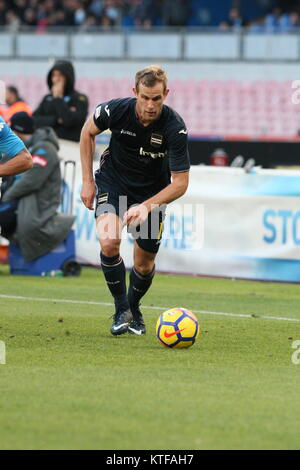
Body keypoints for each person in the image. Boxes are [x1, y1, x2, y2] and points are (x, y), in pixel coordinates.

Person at [80, 65, 190, 336]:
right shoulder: (116, 110)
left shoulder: (175, 128)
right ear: (135, 93)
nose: (150, 105)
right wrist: (87, 181)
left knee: (143, 264)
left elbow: (181, 183)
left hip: (151, 194)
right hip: (113, 183)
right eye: (144, 97)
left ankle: (133, 307)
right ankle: (121, 310)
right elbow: (87, 132)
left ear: (166, 94)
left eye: (156, 98)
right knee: (109, 241)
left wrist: (146, 206)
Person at [0, 112, 75, 261]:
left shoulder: (44, 149)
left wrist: (6, 197)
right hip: (21, 201)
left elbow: (30, 182)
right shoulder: (27, 147)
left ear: (18, 130)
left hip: (37, 205)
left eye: (12, 129)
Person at [32, 60, 89, 143]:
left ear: (68, 77)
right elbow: (34, 120)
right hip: (48, 144)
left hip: (70, 146)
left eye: (60, 75)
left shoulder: (80, 98)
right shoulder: (47, 98)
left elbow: (69, 121)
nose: (56, 79)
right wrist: (56, 120)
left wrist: (58, 99)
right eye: (54, 75)